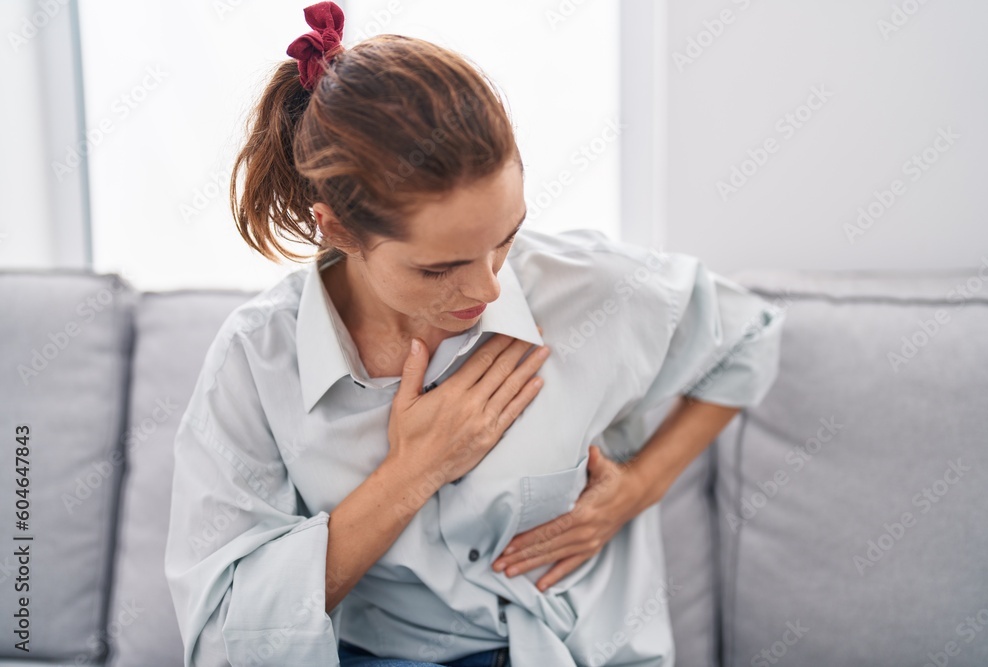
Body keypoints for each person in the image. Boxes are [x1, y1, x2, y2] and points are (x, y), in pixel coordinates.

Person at [163, 2, 786, 666]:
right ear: (337, 229)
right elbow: (225, 635)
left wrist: (639, 487)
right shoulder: (256, 360)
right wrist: (413, 470)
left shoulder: (593, 290)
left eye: (506, 237)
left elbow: (750, 335)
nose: (492, 289)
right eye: (441, 267)